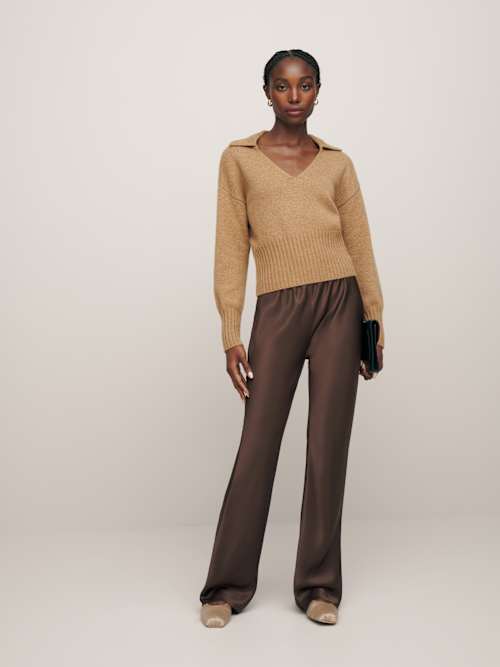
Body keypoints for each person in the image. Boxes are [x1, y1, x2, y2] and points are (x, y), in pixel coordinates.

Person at [199, 49, 385, 628]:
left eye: (305, 85)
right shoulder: (240, 159)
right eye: (283, 86)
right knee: (258, 443)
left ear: (318, 91)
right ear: (267, 92)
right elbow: (230, 247)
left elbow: (360, 242)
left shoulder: (337, 164)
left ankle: (320, 586)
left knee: (328, 446)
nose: (294, 96)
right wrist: (231, 331)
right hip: (278, 308)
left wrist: (372, 320)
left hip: (339, 304)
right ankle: (226, 588)